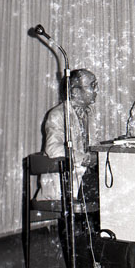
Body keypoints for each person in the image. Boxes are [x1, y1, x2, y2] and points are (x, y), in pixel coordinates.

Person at [43, 69, 99, 204]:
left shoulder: (89, 114)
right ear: (75, 92)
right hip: (67, 182)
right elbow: (52, 148)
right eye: (92, 85)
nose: (96, 90)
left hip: (85, 179)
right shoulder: (58, 114)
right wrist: (84, 158)